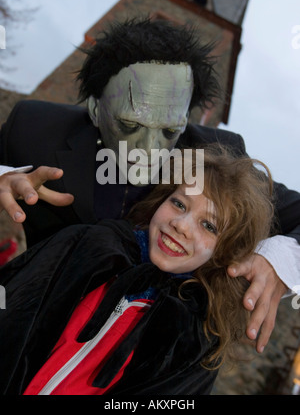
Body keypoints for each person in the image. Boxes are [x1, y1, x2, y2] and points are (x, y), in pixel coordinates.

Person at [0, 18, 299, 355]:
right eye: (130, 124)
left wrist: (280, 262)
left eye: (169, 131)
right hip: (28, 339)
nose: (149, 149)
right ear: (97, 110)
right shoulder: (33, 129)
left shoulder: (218, 156)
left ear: (185, 119)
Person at [0, 146, 274, 395]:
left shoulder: (193, 343)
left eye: (209, 226)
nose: (181, 224)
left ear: (223, 253)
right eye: (179, 204)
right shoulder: (85, 247)